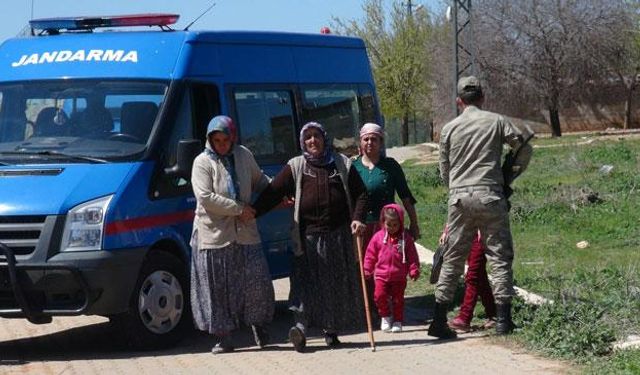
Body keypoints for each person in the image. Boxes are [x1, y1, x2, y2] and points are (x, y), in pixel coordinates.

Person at [430, 76, 532, 339]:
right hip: (490, 194)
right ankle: (503, 319)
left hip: (459, 198)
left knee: (452, 258)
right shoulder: (497, 121)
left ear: (458, 101)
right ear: (483, 97)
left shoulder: (449, 128)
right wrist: (510, 174)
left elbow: (444, 169)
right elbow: (524, 147)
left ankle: (439, 318)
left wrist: (456, 186)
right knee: (499, 256)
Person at [253, 121, 367, 352]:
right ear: (302, 141)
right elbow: (274, 192)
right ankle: (301, 329)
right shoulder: (296, 166)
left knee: (332, 285)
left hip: (338, 236)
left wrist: (357, 217)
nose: (312, 140)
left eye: (316, 136)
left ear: (325, 138)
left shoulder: (342, 163)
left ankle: (331, 331)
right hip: (306, 238)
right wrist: (253, 212)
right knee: (304, 284)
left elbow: (361, 193)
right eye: (308, 137)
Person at [190, 115, 275, 354]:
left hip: (246, 233)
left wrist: (278, 191)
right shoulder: (202, 162)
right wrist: (239, 209)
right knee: (218, 289)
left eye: (226, 140)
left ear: (233, 137)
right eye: (216, 140)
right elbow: (205, 197)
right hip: (215, 235)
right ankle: (223, 337)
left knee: (256, 282)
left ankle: (258, 324)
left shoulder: (243, 155)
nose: (222, 145)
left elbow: (259, 180)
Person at [353, 123, 420, 244]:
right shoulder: (352, 167)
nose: (369, 142)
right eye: (366, 139)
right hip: (361, 228)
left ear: (381, 142)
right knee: (365, 262)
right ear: (360, 142)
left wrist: (414, 224)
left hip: (388, 226)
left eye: (374, 139)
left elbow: (406, 196)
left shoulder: (391, 166)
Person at [363, 203, 420, 333]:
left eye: (395, 225)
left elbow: (412, 255)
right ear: (383, 223)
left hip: (399, 276)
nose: (392, 228)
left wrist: (413, 269)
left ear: (400, 223)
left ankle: (398, 321)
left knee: (398, 300)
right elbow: (370, 255)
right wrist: (367, 268)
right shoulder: (377, 237)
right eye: (389, 225)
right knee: (379, 296)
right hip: (381, 275)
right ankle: (385, 316)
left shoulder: (406, 238)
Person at [439, 227, 496, 333]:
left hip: (484, 233)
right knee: (480, 276)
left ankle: (464, 318)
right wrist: (447, 230)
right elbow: (456, 211)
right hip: (468, 234)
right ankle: (494, 314)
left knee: (473, 276)